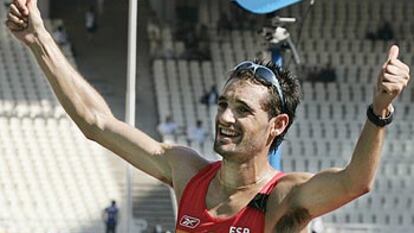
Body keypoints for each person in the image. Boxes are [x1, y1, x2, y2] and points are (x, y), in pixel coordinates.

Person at [5, 1, 411, 232]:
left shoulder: (284, 198)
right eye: (223, 104)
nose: (226, 117)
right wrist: (39, 39)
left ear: (277, 126)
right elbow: (97, 123)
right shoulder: (186, 170)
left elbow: (356, 182)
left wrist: (380, 109)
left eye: (242, 109)